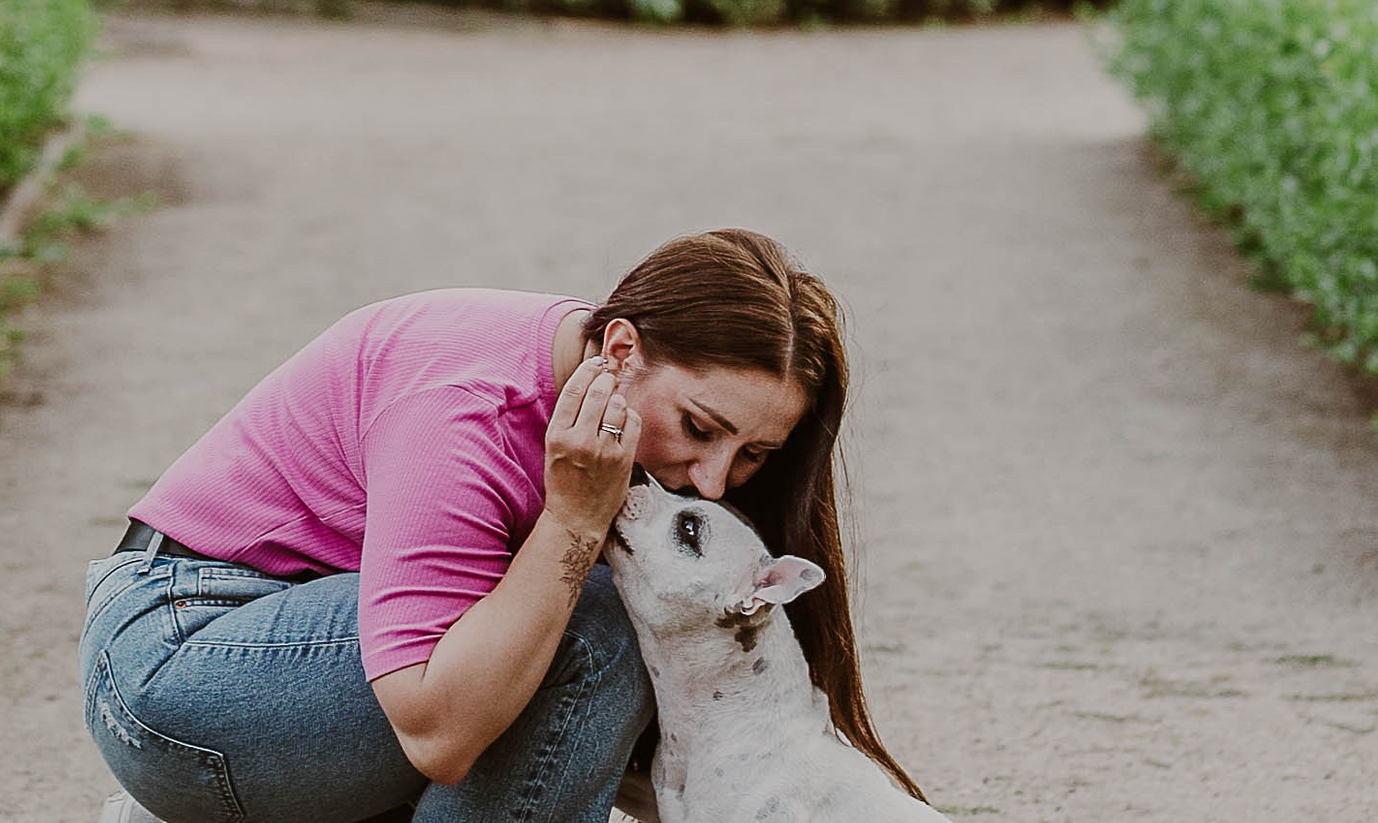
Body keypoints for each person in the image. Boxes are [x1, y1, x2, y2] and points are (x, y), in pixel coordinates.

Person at [81, 227, 918, 823]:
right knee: (601, 618)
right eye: (699, 427)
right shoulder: (468, 405)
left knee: (618, 602)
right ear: (620, 350)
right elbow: (438, 731)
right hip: (181, 676)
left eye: (754, 455)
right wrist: (575, 522)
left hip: (316, 670)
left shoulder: (607, 397)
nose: (709, 480)